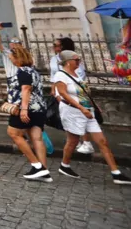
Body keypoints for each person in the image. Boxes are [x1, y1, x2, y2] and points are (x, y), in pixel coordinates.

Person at [53, 50, 130, 184]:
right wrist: (81, 108)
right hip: (73, 112)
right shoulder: (60, 75)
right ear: (68, 62)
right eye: (76, 60)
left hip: (88, 111)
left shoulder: (76, 74)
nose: (79, 62)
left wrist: (92, 104)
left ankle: (116, 173)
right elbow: (63, 94)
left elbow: (83, 93)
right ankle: (64, 165)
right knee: (72, 141)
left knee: (102, 141)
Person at [2, 43, 51, 182]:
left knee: (13, 133)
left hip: (26, 108)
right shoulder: (34, 71)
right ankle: (44, 170)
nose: (11, 60)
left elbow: (26, 89)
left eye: (12, 58)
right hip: (39, 108)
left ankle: (36, 165)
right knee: (37, 138)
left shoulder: (22, 71)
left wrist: (24, 109)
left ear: (17, 58)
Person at [50, 37, 93, 155]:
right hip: (60, 89)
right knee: (67, 115)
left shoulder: (74, 57)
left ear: (63, 46)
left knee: (80, 114)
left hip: (74, 89)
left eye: (56, 45)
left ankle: (86, 142)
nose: (54, 47)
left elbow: (80, 74)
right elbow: (53, 75)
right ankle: (74, 140)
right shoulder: (54, 59)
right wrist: (53, 88)